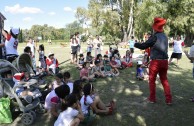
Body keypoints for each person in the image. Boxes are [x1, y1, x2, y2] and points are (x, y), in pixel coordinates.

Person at [134, 17, 172, 105]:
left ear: (155, 28)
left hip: (156, 62)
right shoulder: (165, 37)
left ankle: (152, 98)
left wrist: (134, 44)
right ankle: (169, 99)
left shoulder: (154, 37)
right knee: (164, 80)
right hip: (164, 61)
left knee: (151, 80)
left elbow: (144, 46)